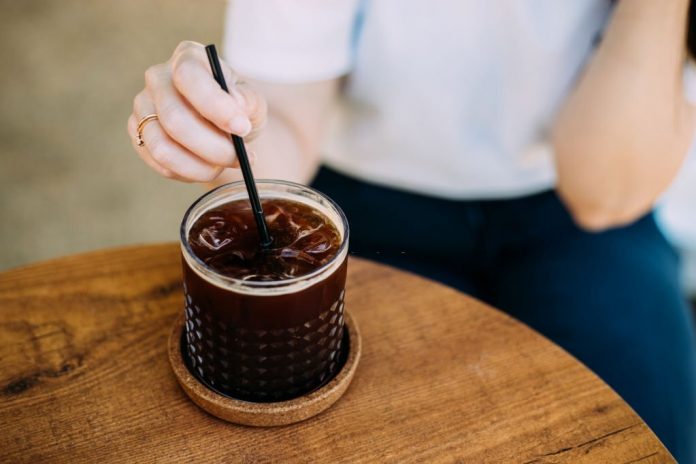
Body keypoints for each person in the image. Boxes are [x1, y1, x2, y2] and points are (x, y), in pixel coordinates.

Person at [127, 1, 696, 460]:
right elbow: (289, 124)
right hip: (363, 204)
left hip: (579, 218)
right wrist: (220, 135)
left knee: (647, 435)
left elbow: (602, 195)